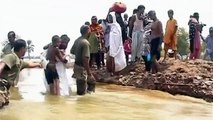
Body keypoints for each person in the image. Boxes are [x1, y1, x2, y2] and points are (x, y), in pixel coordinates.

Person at [0, 39, 41, 108]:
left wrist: (40, 64)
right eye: (25, 49)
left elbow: (29, 64)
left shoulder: (19, 61)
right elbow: (0, 67)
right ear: (22, 49)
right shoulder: (11, 56)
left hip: (5, 90)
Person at [70, 25, 96, 95]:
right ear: (87, 31)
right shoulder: (85, 43)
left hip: (76, 66)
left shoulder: (77, 40)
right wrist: (89, 74)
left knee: (80, 89)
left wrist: (78, 52)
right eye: (90, 30)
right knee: (82, 93)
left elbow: (72, 51)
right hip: (81, 68)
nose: (90, 32)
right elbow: (85, 60)